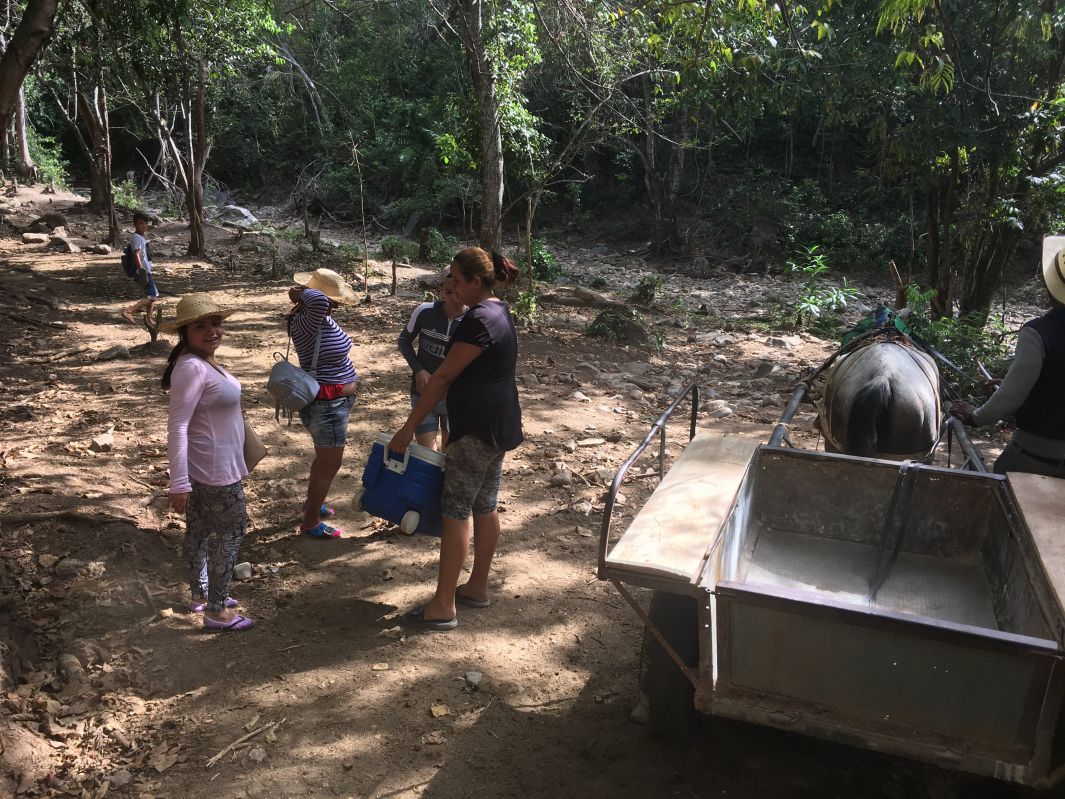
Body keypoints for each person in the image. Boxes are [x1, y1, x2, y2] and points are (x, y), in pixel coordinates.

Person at [389, 247, 523, 631]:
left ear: (475, 282)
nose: (450, 286)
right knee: (485, 504)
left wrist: (409, 426)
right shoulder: (499, 311)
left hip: (476, 429)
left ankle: (443, 605)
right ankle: (476, 587)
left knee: (455, 512)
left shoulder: (476, 320)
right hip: (498, 425)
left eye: (456, 280)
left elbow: (443, 378)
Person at [162, 293, 254, 631]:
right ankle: (216, 611)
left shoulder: (204, 361)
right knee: (231, 532)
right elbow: (177, 426)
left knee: (198, 532)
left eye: (215, 323)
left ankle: (201, 594)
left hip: (211, 466)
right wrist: (179, 482)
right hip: (213, 472)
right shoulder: (190, 367)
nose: (211, 331)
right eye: (200, 326)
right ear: (184, 333)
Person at [950, 239, 1065, 478]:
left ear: (1050, 285)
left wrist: (974, 416)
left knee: (1000, 474)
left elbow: (1011, 398)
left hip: (1037, 456)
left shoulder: (1038, 333)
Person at [289, 268, 359, 539]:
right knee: (330, 464)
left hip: (335, 402)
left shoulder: (318, 317)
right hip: (327, 405)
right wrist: (302, 293)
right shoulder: (308, 317)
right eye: (332, 297)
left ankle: (313, 505)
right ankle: (311, 522)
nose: (335, 302)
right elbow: (317, 301)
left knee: (324, 461)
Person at [396, 273, 467, 450]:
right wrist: (418, 370)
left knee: (450, 454)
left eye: (459, 292)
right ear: (440, 290)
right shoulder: (425, 311)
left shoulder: (474, 319)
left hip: (456, 399)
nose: (455, 298)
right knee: (427, 455)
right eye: (449, 292)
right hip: (423, 392)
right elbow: (404, 340)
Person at [122, 212, 160, 325]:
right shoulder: (136, 238)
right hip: (143, 271)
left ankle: (149, 319)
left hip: (146, 270)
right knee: (153, 296)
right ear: (135, 224)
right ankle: (129, 311)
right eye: (140, 223)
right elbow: (136, 254)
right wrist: (141, 270)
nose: (144, 226)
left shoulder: (141, 238)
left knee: (153, 294)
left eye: (145, 223)